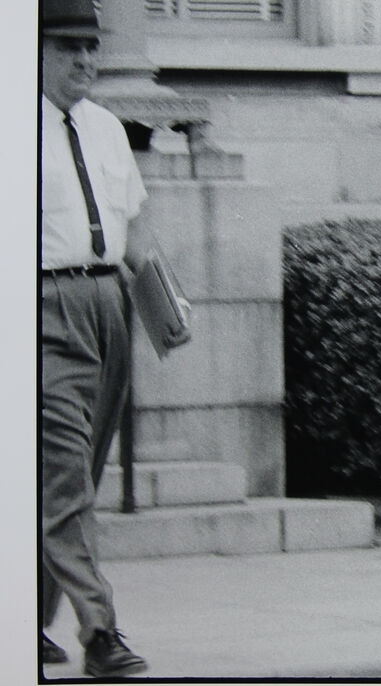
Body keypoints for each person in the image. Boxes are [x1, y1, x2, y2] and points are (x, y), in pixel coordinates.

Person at [39, 0, 156, 677]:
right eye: (67, 46)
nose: (85, 59)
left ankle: (26, 618)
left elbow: (134, 226)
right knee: (62, 475)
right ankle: (99, 630)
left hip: (108, 304)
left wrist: (161, 303)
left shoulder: (107, 127)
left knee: (77, 475)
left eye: (91, 45)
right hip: (42, 306)